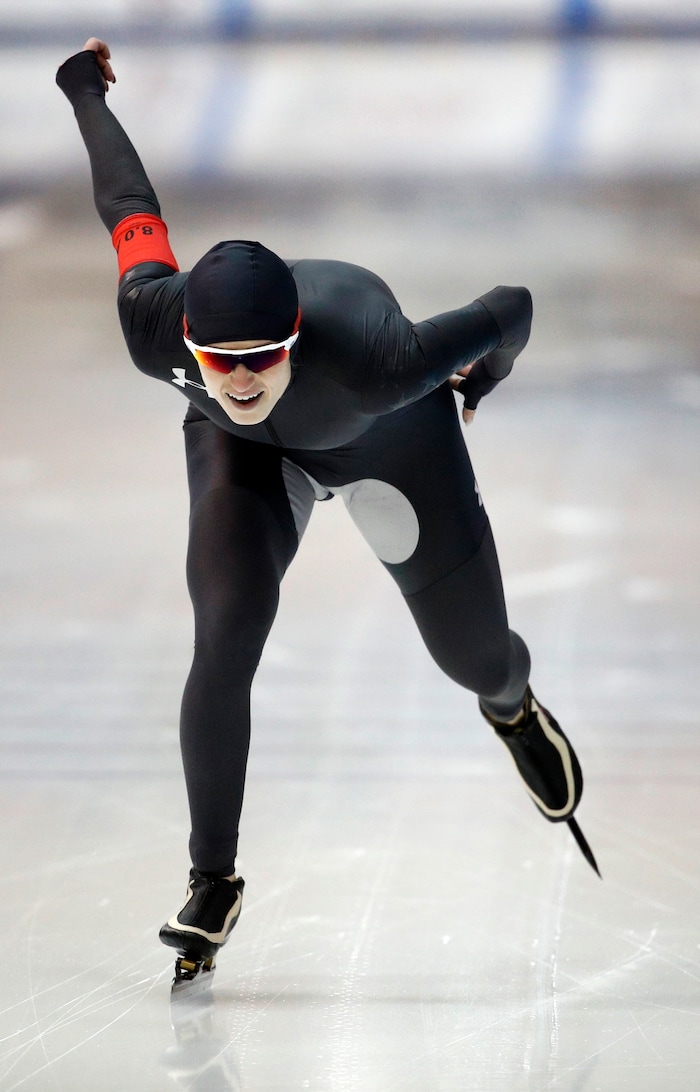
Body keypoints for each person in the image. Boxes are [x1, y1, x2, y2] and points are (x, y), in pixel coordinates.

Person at [56, 38, 597, 976]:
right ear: (187, 338)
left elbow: (511, 306)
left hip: (393, 445)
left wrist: (484, 381)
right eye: (220, 363)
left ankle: (511, 707)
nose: (243, 377)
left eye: (264, 358)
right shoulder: (155, 327)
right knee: (224, 631)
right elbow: (128, 207)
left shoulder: (379, 359)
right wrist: (83, 93)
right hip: (248, 462)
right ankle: (213, 880)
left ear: (297, 338)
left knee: (471, 659)